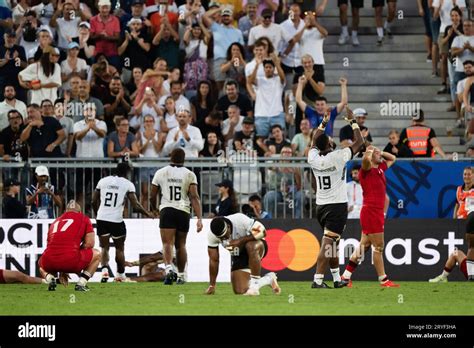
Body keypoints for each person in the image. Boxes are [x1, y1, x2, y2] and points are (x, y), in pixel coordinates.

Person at [308, 107, 364, 288]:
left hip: (321, 206)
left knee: (333, 244)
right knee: (328, 244)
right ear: (330, 145)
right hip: (337, 206)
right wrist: (352, 121)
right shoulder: (340, 156)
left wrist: (324, 122)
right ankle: (317, 280)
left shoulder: (313, 157)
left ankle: (337, 279)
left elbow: (314, 140)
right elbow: (360, 141)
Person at [341, 145, 399, 287]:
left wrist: (379, 151)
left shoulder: (380, 168)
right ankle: (383, 279)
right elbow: (365, 160)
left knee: (363, 247)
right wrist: (369, 151)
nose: (381, 156)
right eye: (377, 154)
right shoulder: (365, 171)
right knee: (378, 247)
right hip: (371, 212)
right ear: (371, 156)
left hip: (375, 212)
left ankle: (345, 277)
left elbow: (393, 158)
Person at [92, 162, 153, 283]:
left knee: (104, 247)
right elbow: (135, 206)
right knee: (119, 249)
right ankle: (120, 275)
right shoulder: (128, 184)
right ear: (127, 173)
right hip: (116, 220)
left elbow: (94, 200)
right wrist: (147, 213)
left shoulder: (103, 181)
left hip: (102, 218)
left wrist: (97, 214)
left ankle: (104, 272)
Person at [150, 148, 203, 285]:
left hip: (167, 210)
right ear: (184, 159)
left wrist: (154, 209)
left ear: (170, 157)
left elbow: (152, 195)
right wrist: (199, 219)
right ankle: (181, 276)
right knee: (181, 245)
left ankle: (168, 270)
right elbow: (194, 197)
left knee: (167, 243)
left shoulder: (161, 172)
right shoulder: (190, 174)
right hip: (183, 211)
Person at [205, 214, 281, 296]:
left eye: (225, 235)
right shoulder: (211, 235)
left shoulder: (239, 219)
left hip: (257, 246)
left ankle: (255, 286)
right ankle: (269, 279)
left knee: (250, 246)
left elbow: (262, 231)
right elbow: (214, 260)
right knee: (240, 290)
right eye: (220, 238)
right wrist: (212, 285)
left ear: (228, 227)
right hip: (238, 254)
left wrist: (239, 241)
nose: (224, 239)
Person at [38, 200, 99, 291]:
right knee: (97, 254)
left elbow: (52, 247)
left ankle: (50, 278)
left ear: (65, 211)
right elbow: (89, 244)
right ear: (79, 212)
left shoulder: (56, 221)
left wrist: (62, 269)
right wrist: (75, 252)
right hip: (71, 260)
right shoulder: (83, 218)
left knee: (41, 264)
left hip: (50, 260)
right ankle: (81, 284)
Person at [203, 6, 244, 91]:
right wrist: (219, 9)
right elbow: (205, 16)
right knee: (220, 88)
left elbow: (241, 48)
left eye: (228, 15)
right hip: (219, 60)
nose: (226, 17)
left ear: (232, 17)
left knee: (235, 84)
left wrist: (238, 61)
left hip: (234, 59)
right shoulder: (216, 27)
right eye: (224, 16)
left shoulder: (238, 32)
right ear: (221, 17)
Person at [248, 55, 285, 139]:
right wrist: (256, 66)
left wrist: (277, 63)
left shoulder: (278, 80)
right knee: (261, 140)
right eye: (266, 67)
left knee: (280, 139)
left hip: (277, 115)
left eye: (270, 67)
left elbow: (283, 77)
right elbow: (250, 81)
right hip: (261, 115)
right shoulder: (260, 80)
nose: (268, 69)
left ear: (273, 68)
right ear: (264, 69)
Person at [89, 0, 121, 69]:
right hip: (97, 53)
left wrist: (106, 37)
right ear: (99, 8)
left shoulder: (115, 20)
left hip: (112, 54)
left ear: (109, 8)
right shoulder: (93, 20)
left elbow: (117, 37)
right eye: (103, 8)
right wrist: (100, 35)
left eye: (107, 8)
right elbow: (91, 37)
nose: (105, 10)